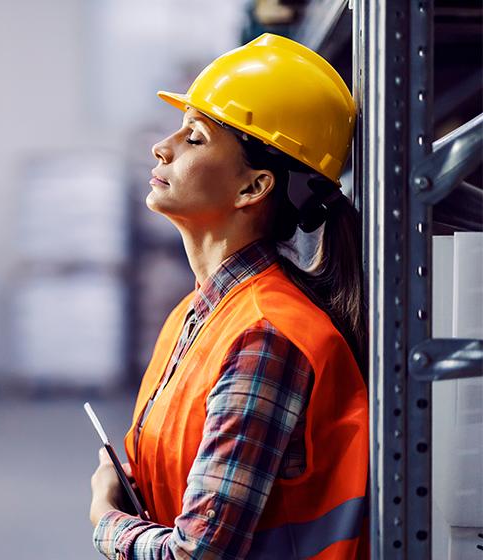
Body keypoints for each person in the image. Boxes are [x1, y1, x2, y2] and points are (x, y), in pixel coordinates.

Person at [88, 33, 369, 559]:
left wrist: (106, 518)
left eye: (194, 138)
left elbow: (196, 554)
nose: (162, 147)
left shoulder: (266, 336)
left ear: (252, 188)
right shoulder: (198, 314)